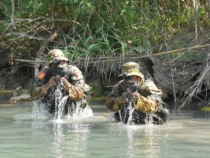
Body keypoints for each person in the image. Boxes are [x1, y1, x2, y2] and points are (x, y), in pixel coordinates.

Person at [30, 49, 91, 117]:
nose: (61, 64)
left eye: (63, 61)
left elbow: (80, 95)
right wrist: (48, 85)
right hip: (53, 107)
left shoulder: (73, 71)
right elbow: (33, 95)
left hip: (75, 111)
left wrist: (64, 83)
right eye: (57, 62)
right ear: (50, 64)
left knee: (85, 89)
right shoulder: (46, 71)